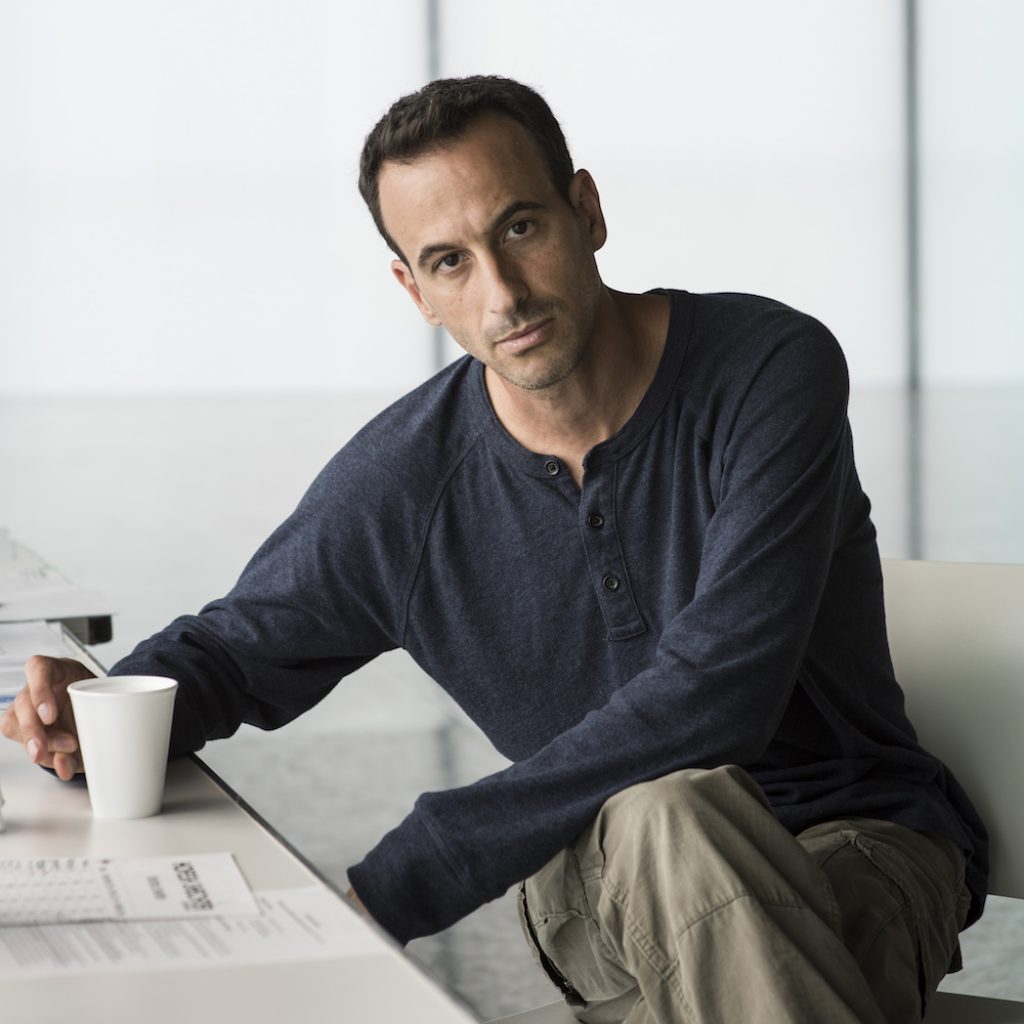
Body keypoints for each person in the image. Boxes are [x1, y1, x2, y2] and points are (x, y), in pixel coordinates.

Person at [2, 76, 987, 1023]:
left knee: (671, 815)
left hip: (855, 847)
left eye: (520, 227)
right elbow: (230, 652)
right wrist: (93, 709)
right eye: (449, 261)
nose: (503, 292)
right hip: (592, 881)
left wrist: (403, 878)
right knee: (650, 820)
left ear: (585, 211)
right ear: (413, 289)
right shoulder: (403, 483)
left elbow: (713, 699)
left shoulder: (765, 371)